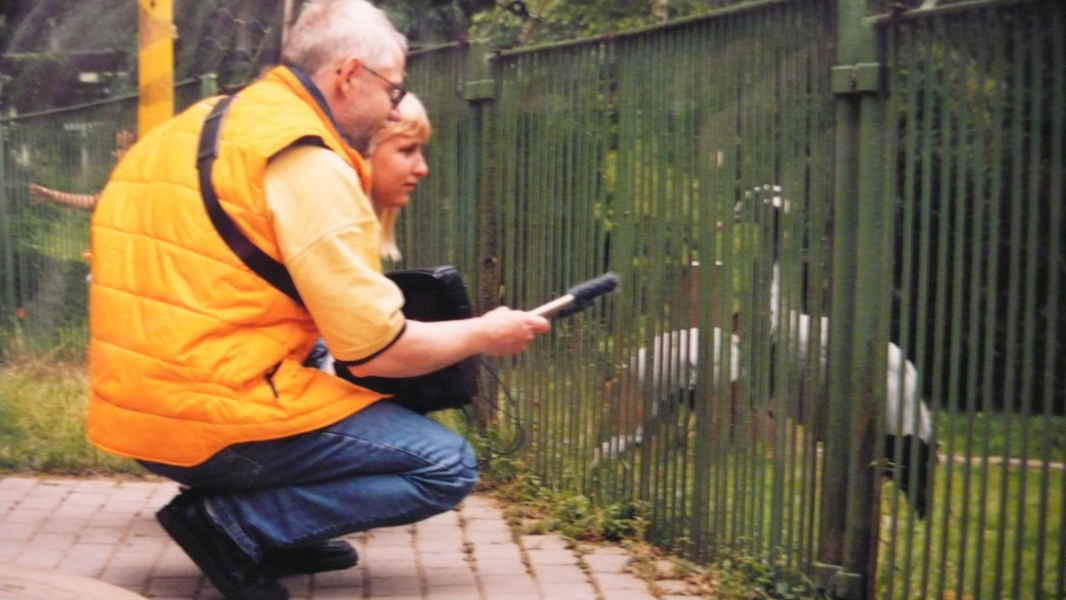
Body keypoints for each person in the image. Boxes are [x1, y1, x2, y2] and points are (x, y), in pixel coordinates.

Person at [86, 2, 549, 600]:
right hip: (207, 421)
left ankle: (279, 533)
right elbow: (378, 350)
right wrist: (486, 333)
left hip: (129, 412)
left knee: (324, 361)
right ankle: (235, 524)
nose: (394, 109)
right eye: (393, 90)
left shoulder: (198, 125)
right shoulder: (305, 156)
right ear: (350, 74)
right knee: (444, 464)